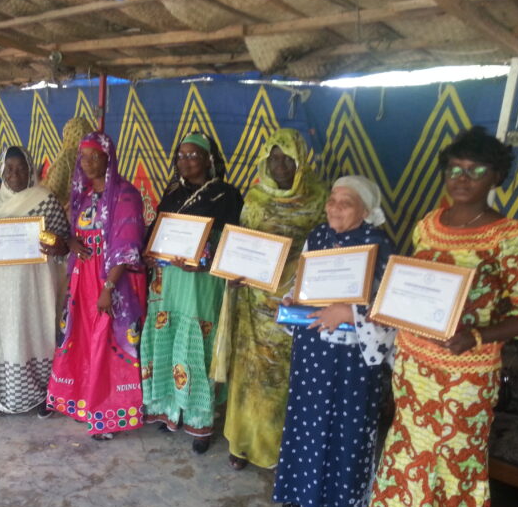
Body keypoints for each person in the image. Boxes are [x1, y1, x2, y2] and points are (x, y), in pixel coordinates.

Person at [357, 127, 518, 507]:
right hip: (414, 364)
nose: (462, 178)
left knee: (453, 464)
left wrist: (478, 336)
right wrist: (389, 307)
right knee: (407, 452)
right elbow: (415, 285)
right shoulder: (428, 223)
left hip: (467, 373)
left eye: (475, 171)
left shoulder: (509, 236)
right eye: (454, 170)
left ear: (496, 178)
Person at [271, 176, 395, 507]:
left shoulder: (379, 245)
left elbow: (389, 307)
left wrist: (348, 313)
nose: (335, 208)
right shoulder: (319, 236)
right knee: (306, 417)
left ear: (367, 210)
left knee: (348, 424)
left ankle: (341, 504)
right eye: (333, 200)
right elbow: (305, 282)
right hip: (314, 349)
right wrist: (296, 299)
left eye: (347, 202)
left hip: (353, 357)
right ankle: (300, 490)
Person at [220, 128, 327, 470]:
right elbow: (242, 245)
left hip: (294, 302)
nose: (279, 165)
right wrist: (233, 274)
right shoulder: (255, 199)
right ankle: (243, 442)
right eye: (273, 157)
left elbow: (327, 252)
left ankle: (283, 447)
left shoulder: (321, 199)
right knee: (251, 376)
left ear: (301, 160)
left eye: (286, 158)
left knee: (285, 378)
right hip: (253, 302)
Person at [140, 132, 243, 454]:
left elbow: (235, 239)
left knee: (197, 346)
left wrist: (206, 261)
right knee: (167, 341)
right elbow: (157, 229)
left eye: (193, 155)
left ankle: (200, 421)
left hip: (201, 281)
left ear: (209, 159)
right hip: (168, 282)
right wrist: (151, 249)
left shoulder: (226, 195)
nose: (185, 161)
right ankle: (170, 409)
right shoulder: (172, 192)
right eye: (180, 156)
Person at [45, 131, 146, 440]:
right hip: (81, 281)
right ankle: (84, 402)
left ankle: (109, 412)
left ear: (108, 159)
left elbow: (126, 245)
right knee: (83, 338)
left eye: (95, 157)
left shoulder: (125, 194)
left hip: (109, 280)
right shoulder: (83, 195)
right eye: (84, 157)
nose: (88, 163)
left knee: (108, 341)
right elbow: (74, 232)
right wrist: (73, 241)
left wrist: (109, 288)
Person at [0, 146, 69, 416]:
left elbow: (65, 242)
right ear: (2, 171)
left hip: (37, 284)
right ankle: (5, 397)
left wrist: (59, 245)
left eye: (21, 168)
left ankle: (44, 396)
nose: (14, 174)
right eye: (9, 168)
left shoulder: (45, 199)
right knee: (7, 335)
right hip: (4, 285)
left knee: (37, 332)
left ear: (31, 171)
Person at [41, 117, 94, 218]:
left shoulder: (66, 157)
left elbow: (53, 190)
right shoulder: (94, 156)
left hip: (63, 214)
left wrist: (40, 184)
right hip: (88, 212)